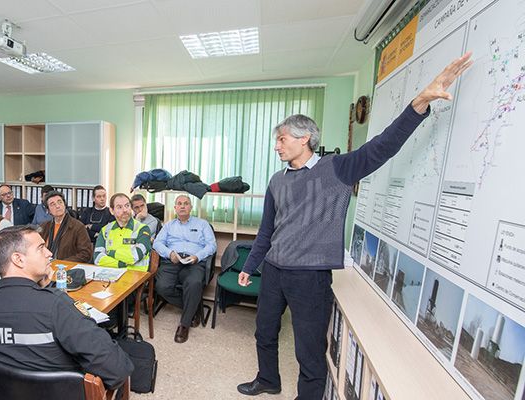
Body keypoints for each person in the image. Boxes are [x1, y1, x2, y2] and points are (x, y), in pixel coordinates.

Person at [236, 53, 473, 399]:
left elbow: (382, 147)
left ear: (305, 138)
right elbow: (266, 230)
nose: (277, 146)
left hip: (310, 277)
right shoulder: (276, 180)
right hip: (273, 270)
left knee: (308, 351)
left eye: (283, 139)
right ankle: (268, 379)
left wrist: (419, 103)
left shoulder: (337, 170)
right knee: (264, 332)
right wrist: (250, 265)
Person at [0, 225, 133, 390]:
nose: (49, 253)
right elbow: (118, 369)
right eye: (41, 248)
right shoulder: (56, 305)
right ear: (18, 259)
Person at [153, 195, 216, 343]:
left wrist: (197, 256)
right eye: (179, 204)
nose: (182, 206)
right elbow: (157, 243)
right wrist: (170, 253)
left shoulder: (202, 224)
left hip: (193, 261)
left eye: (186, 203)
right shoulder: (168, 225)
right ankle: (193, 307)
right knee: (161, 286)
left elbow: (212, 246)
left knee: (193, 283)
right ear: (175, 208)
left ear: (191, 207)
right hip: (173, 260)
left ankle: (184, 324)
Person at [93, 193, 151, 272]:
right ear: (112, 211)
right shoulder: (105, 230)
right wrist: (120, 264)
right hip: (109, 274)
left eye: (127, 206)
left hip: (135, 276)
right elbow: (97, 258)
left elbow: (135, 256)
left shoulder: (142, 229)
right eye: (119, 207)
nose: (125, 210)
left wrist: (110, 253)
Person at [39, 191, 92, 263]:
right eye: (52, 204)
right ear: (48, 211)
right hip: (45, 266)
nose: (57, 206)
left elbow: (86, 254)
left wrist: (62, 263)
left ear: (65, 204)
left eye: (60, 202)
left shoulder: (78, 227)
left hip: (66, 268)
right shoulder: (44, 227)